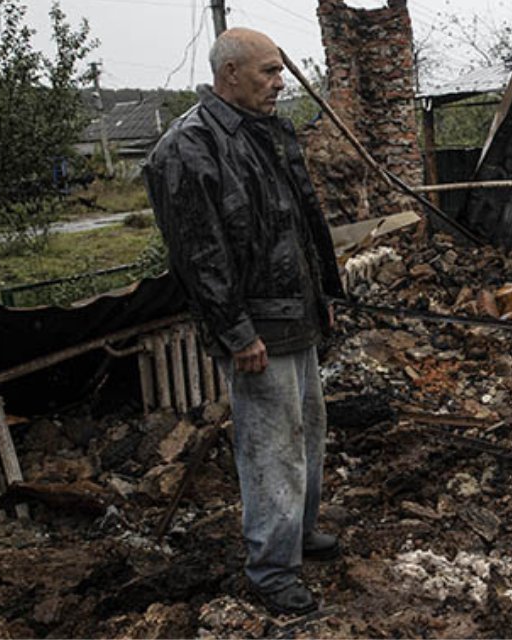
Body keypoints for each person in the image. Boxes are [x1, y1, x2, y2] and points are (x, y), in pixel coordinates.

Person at [143, 27, 345, 616]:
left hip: (295, 316)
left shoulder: (267, 133)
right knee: (270, 450)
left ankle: (299, 535)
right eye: (268, 72)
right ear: (229, 74)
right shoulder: (188, 147)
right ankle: (272, 570)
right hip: (256, 330)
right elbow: (199, 255)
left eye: (280, 72)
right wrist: (236, 332)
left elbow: (301, 224)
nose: (280, 83)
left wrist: (325, 293)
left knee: (307, 430)